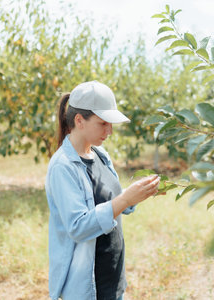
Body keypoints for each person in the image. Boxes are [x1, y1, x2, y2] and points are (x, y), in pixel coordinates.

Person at [45, 81, 160, 300]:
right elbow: (78, 227)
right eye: (103, 123)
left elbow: (111, 201)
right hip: (88, 287)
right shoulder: (63, 166)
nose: (110, 131)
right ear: (79, 121)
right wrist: (126, 198)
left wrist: (138, 193)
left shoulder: (99, 154)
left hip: (112, 277)